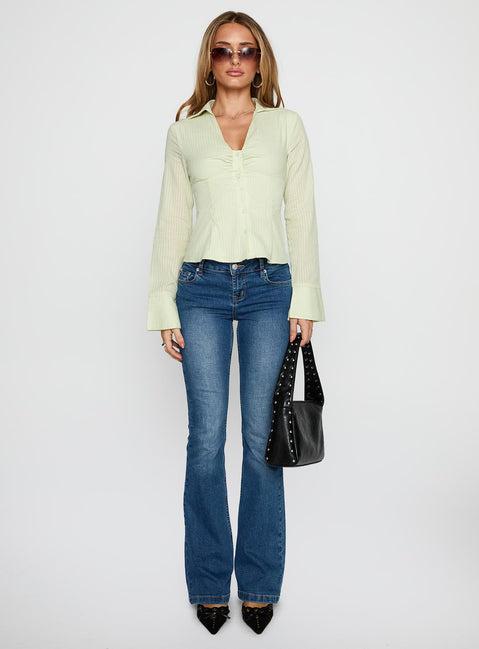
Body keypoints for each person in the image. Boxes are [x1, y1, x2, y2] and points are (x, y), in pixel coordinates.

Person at [146, 10, 325, 635]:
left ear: (260, 60)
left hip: (270, 291)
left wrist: (306, 300)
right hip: (200, 288)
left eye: (246, 51)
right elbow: (172, 219)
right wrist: (163, 304)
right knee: (205, 440)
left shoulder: (286, 127)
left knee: (259, 442)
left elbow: (301, 214)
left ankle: (258, 584)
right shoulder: (186, 134)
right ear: (210, 60)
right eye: (224, 51)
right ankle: (207, 582)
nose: (235, 61)